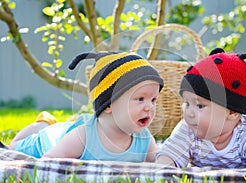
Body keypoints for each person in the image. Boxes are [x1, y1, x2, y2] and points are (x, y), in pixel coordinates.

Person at [6, 51, 164, 162]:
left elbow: (161, 162)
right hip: (50, 138)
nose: (149, 107)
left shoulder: (144, 139)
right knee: (14, 147)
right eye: (140, 99)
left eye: (153, 100)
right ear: (108, 104)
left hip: (70, 129)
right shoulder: (83, 137)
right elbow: (49, 160)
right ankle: (43, 123)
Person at [156, 48, 246, 168]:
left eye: (200, 105)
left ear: (232, 112)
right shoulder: (188, 129)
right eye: (187, 103)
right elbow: (169, 156)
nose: (189, 113)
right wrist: (161, 170)